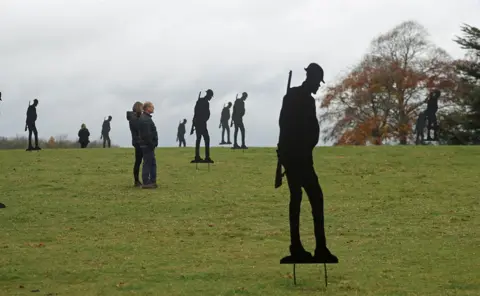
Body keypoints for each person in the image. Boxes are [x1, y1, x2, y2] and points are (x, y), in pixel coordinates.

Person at [277, 63, 338, 263]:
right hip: (299, 157)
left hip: (294, 155)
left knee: (298, 198)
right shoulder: (301, 99)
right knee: (314, 198)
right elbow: (289, 126)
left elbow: (284, 124)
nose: (318, 87)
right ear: (311, 78)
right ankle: (315, 248)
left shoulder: (293, 96)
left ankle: (300, 247)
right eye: (317, 82)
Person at [190, 89, 214, 163]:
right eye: (211, 96)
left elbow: (195, 113)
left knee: (199, 139)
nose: (211, 98)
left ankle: (197, 156)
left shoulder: (200, 101)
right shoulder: (205, 103)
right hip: (201, 123)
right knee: (206, 139)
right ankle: (206, 157)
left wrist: (193, 125)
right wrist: (204, 120)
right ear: (209, 95)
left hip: (198, 123)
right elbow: (204, 113)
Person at [138, 101, 158, 189]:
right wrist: (152, 144)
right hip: (147, 145)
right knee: (147, 163)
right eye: (152, 107)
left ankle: (152, 181)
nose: (153, 108)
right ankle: (146, 182)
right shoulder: (145, 119)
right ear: (147, 108)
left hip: (147, 145)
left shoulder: (146, 118)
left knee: (152, 163)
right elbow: (147, 135)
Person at [129, 102, 144, 187]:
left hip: (137, 141)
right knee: (138, 162)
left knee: (139, 161)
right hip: (138, 142)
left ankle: (138, 180)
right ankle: (137, 180)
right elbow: (139, 128)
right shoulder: (134, 119)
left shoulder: (134, 118)